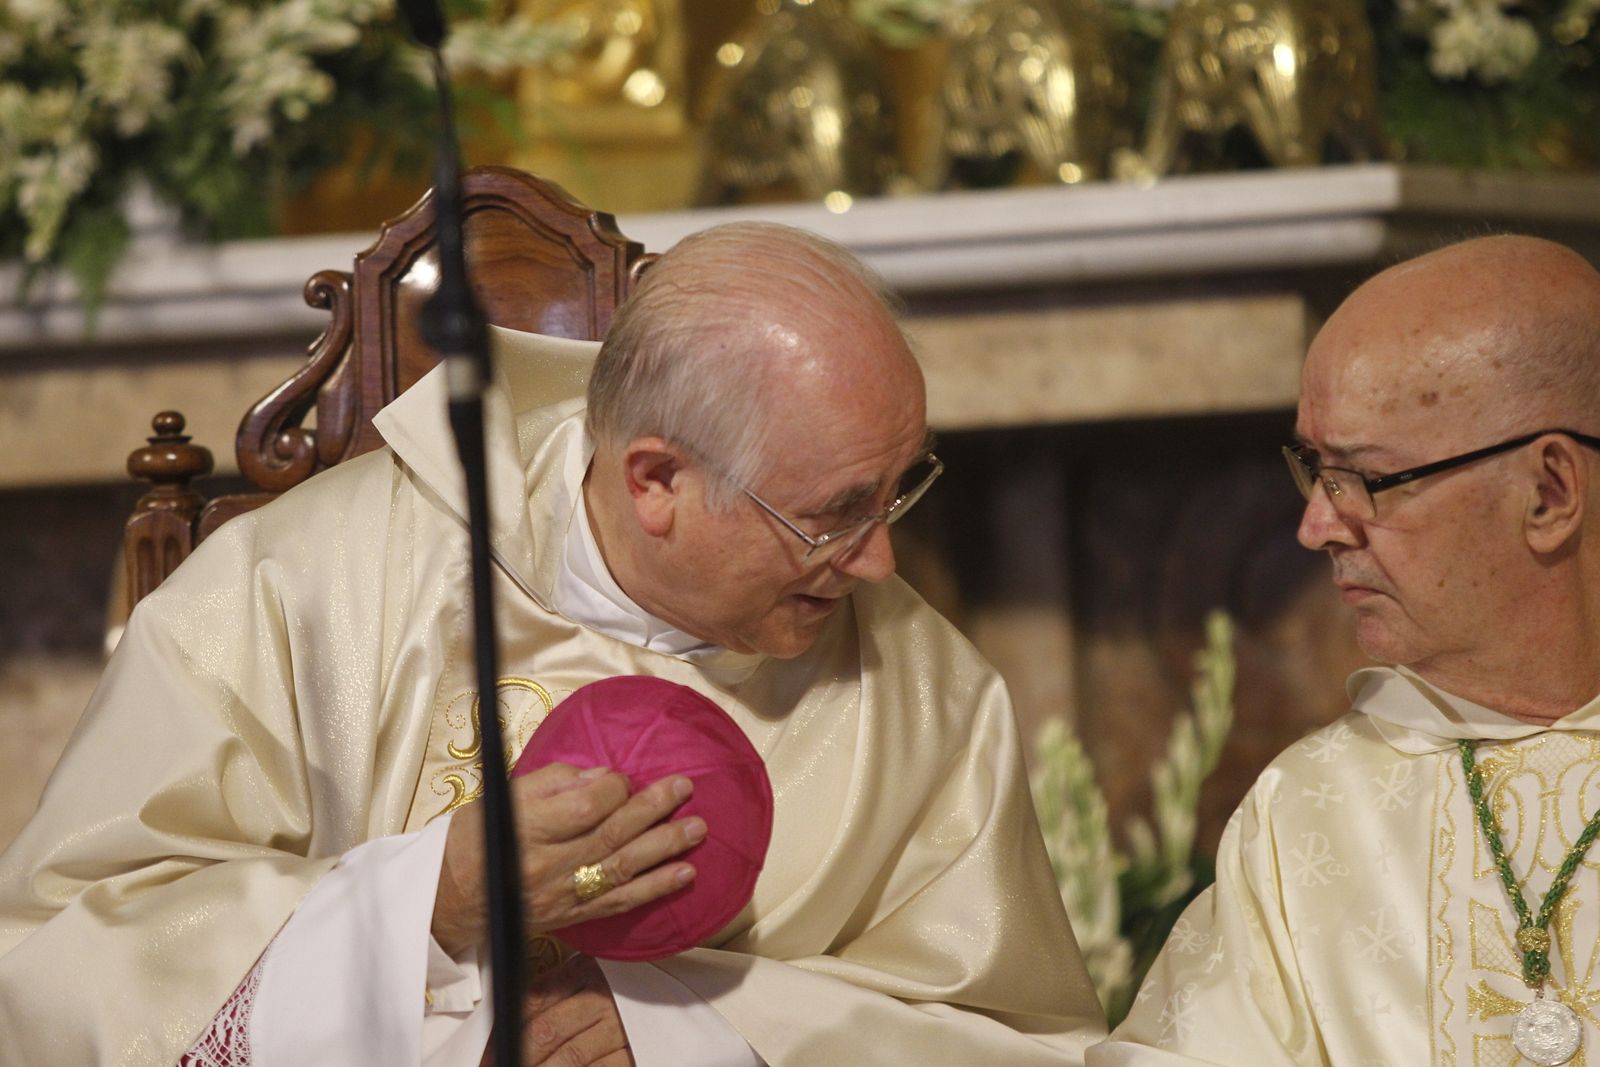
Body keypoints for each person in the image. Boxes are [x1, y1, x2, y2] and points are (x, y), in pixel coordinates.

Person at [0, 222, 1105, 1065]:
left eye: (899, 491)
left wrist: (682, 1033)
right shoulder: (301, 585)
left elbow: (1022, 1040)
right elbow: (61, 960)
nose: (879, 563)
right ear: (657, 481)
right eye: (834, 512)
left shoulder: (922, 691)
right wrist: (422, 903)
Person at [1089, 234, 1600, 1065]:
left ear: (1547, 493)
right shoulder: (1305, 815)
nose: (1315, 525)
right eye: (1314, 469)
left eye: (1365, 477)